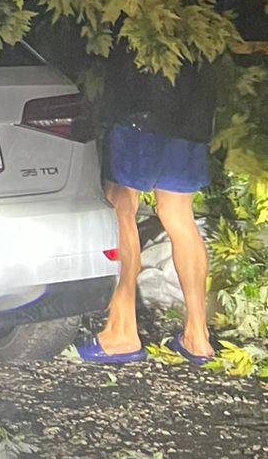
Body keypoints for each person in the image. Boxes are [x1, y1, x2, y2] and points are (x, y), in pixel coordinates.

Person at [77, 50, 221, 365]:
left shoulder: (138, 3)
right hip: (193, 113)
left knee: (120, 207)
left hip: (139, 109)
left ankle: (121, 331)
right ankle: (198, 337)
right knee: (179, 216)